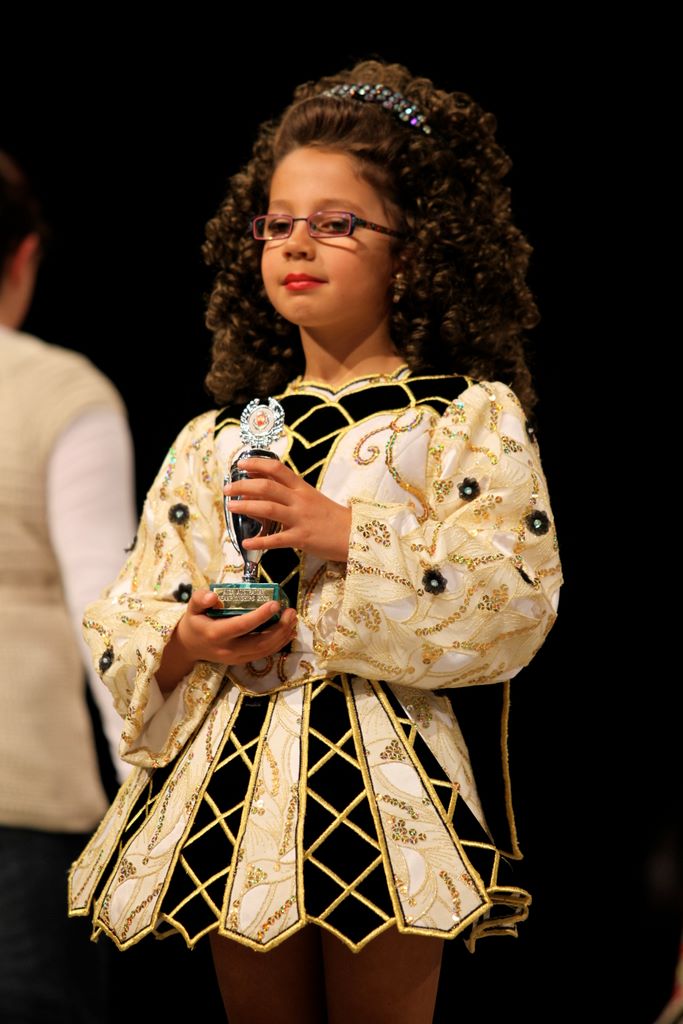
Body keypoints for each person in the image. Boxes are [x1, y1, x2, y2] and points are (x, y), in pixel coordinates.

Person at [69, 60, 562, 1024]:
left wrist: (349, 534)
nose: (297, 243)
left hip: (383, 774)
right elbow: (134, 603)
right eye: (279, 223)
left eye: (337, 224)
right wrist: (186, 640)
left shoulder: (461, 416)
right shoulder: (213, 438)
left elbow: (515, 596)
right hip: (233, 775)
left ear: (415, 250)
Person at [0, 151, 136, 1022]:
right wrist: (152, 801)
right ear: (23, 256)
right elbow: (106, 611)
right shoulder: (59, 390)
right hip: (19, 801)